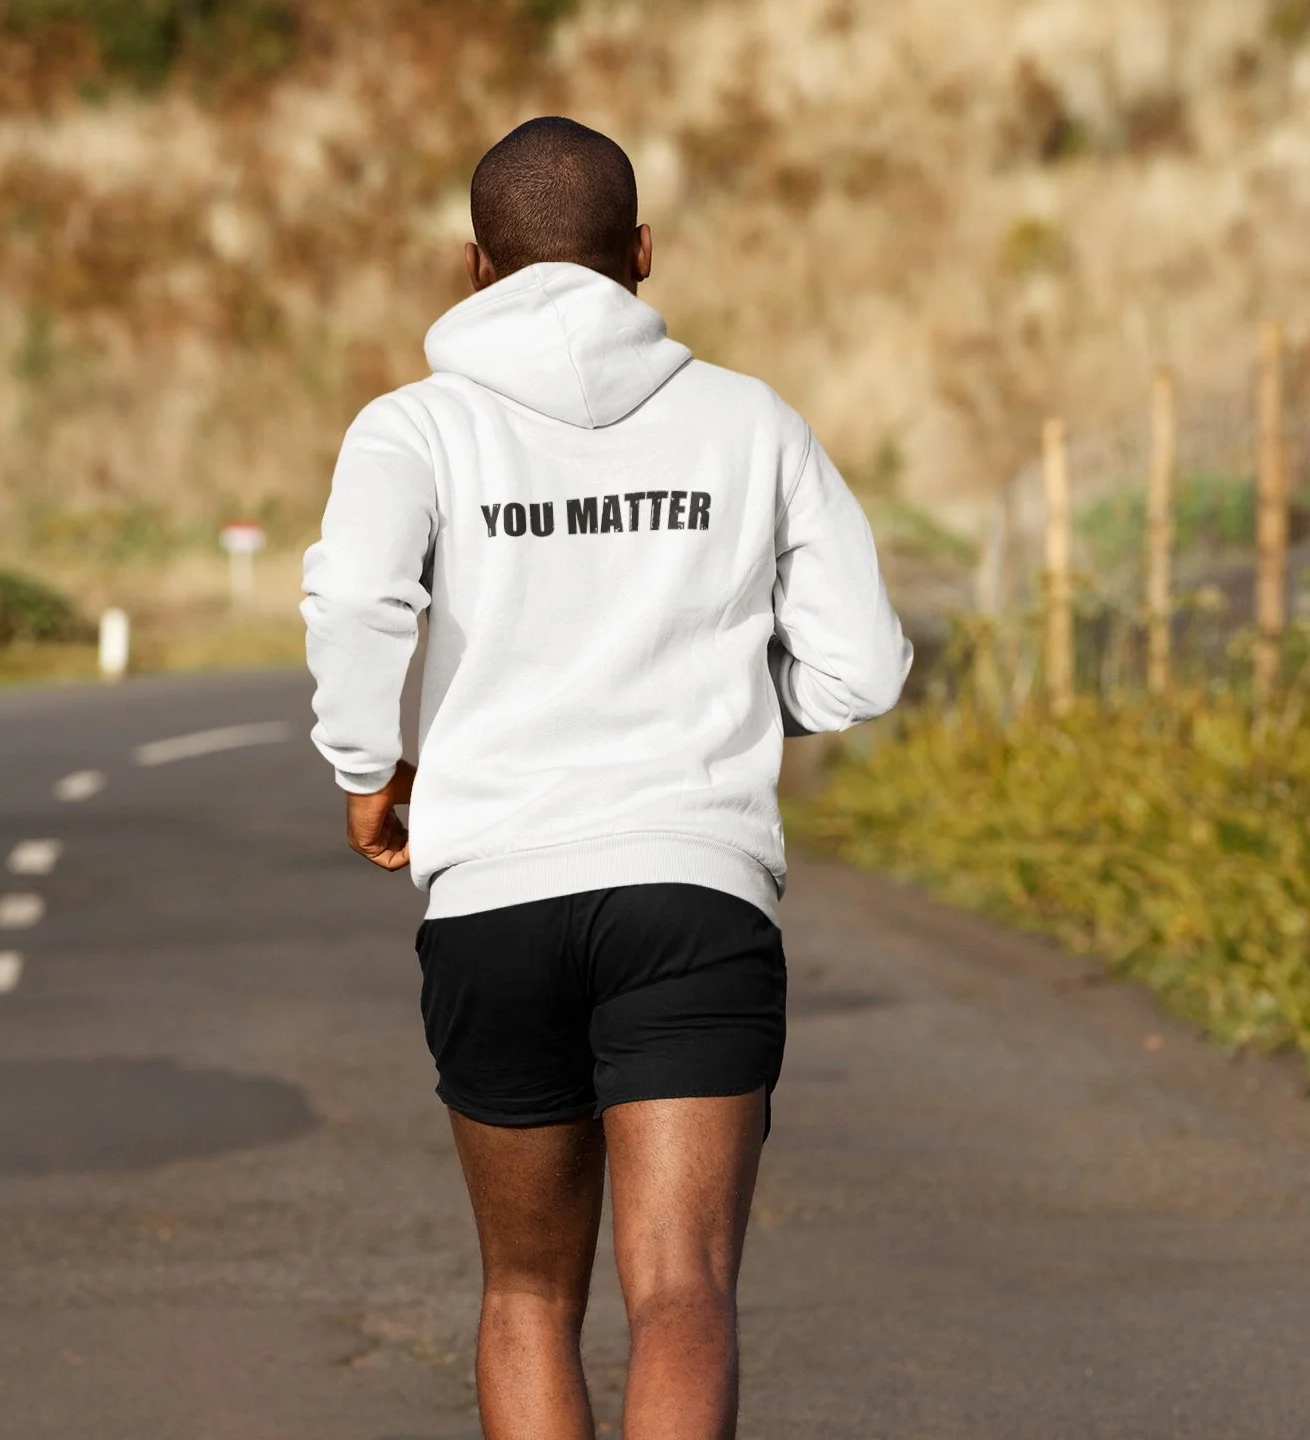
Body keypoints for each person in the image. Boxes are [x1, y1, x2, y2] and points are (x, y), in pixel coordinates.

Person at [303, 115, 911, 1440]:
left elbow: (357, 597)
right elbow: (865, 668)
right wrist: (736, 702)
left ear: (477, 266)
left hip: (495, 892)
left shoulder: (414, 429)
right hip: (693, 888)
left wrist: (368, 764)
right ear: (642, 251)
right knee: (683, 1295)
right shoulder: (750, 422)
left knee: (526, 1292)